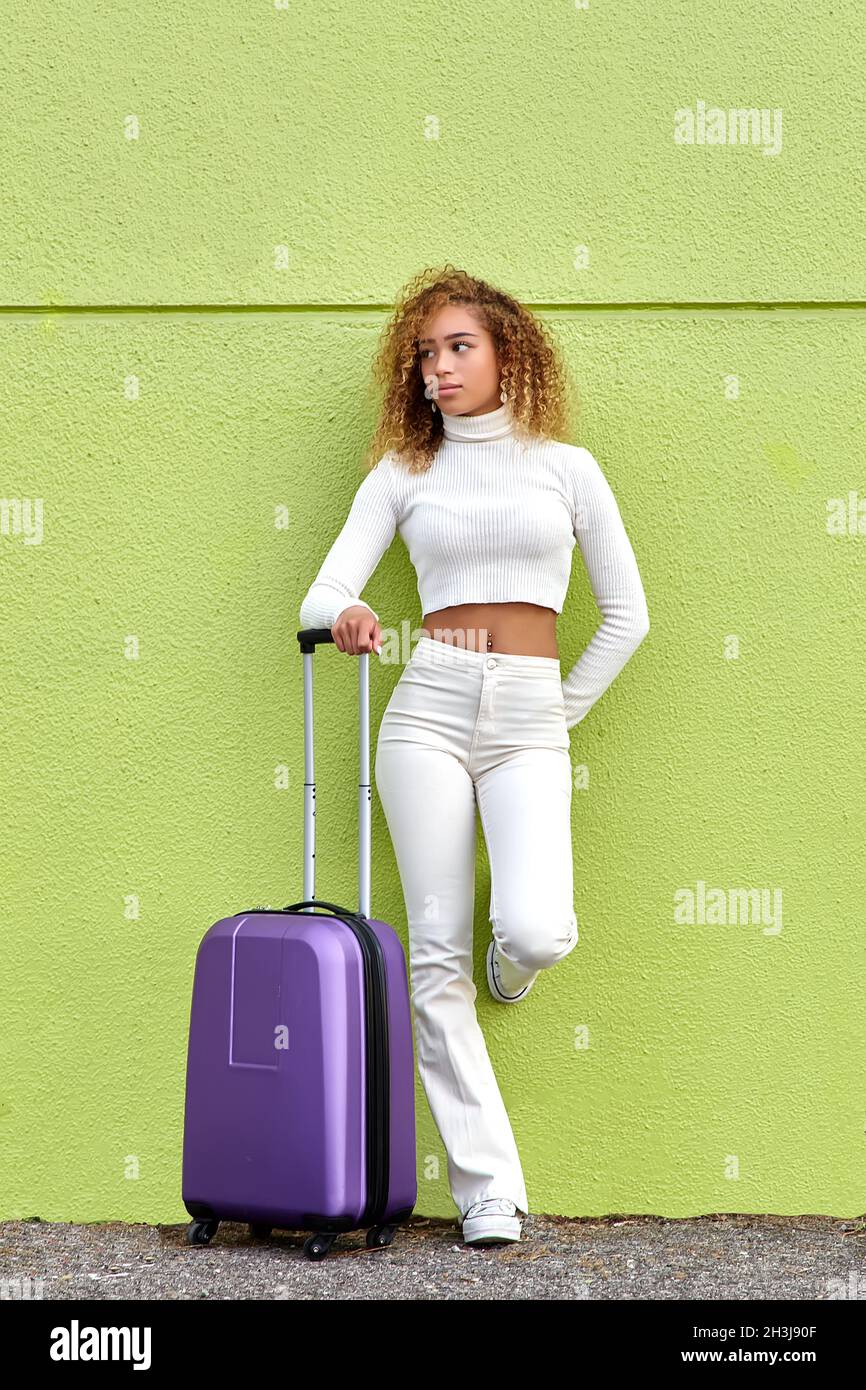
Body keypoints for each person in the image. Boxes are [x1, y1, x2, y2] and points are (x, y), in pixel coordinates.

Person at [299, 265, 650, 1247]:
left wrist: (555, 712)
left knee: (537, 929)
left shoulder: (565, 469)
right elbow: (320, 594)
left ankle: (514, 959)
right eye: (423, 353)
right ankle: (485, 1184)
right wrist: (351, 616)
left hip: (528, 711)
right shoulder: (404, 474)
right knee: (433, 957)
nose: (436, 368)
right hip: (427, 710)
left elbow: (627, 617)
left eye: (457, 347)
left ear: (508, 355)